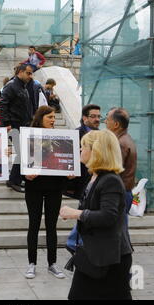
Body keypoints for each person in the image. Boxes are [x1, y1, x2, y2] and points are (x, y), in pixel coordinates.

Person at [60, 130, 133, 300]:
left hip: (111, 258)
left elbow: (108, 216)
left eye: (83, 146)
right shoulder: (94, 176)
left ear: (96, 151)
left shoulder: (110, 180)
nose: (80, 150)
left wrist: (76, 213)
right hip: (96, 254)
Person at [24, 106, 66, 280]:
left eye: (54, 117)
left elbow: (64, 161)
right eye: (49, 117)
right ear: (40, 118)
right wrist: (25, 174)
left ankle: (52, 264)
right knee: (33, 225)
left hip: (54, 188)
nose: (53, 120)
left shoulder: (59, 137)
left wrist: (69, 174)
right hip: (34, 187)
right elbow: (21, 162)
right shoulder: (28, 136)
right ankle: (31, 263)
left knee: (51, 226)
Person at [65, 104, 101, 254]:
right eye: (93, 116)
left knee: (86, 211)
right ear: (84, 118)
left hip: (95, 178)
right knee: (84, 210)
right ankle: (74, 242)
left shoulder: (101, 136)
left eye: (99, 116)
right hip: (80, 180)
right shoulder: (75, 135)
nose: (97, 119)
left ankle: (74, 242)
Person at [0, 64, 35, 193]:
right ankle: (13, 180)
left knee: (24, 152)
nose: (31, 76)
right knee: (22, 152)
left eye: (31, 74)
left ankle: (17, 179)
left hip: (22, 124)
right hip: (13, 125)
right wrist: (6, 123)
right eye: (28, 73)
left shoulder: (22, 86)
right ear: (20, 72)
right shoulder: (11, 85)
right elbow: (2, 104)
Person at [105, 107, 137, 228]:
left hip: (119, 193)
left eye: (107, 120)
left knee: (118, 232)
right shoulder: (125, 139)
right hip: (124, 192)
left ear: (116, 124)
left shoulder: (120, 143)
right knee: (120, 231)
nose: (105, 122)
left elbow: (113, 170)